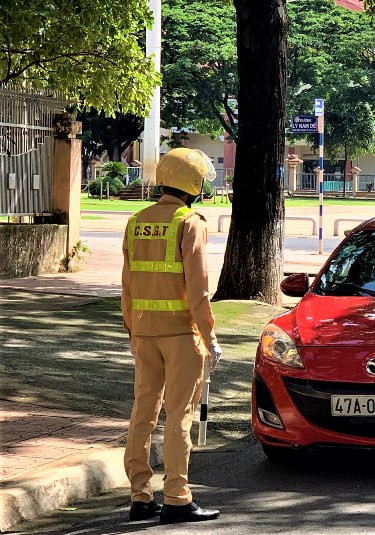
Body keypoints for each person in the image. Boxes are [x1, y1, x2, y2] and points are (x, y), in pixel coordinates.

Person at [122, 148, 223, 524]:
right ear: (193, 184)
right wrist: (209, 336)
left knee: (143, 414)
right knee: (180, 416)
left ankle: (140, 497)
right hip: (182, 333)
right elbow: (198, 291)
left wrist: (133, 329)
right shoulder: (189, 222)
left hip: (145, 331)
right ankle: (178, 498)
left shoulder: (136, 221)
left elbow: (127, 285)